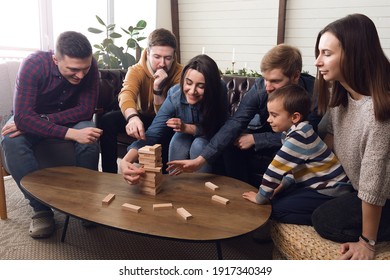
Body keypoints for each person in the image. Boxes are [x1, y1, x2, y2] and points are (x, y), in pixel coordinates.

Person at [166, 44, 321, 185]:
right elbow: (235, 123)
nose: (267, 87)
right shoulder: (260, 88)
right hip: (264, 130)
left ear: (295, 76)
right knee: (231, 142)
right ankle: (239, 189)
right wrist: (200, 160)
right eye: (265, 79)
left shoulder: (315, 95)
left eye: (275, 81)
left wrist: (256, 139)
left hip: (293, 141)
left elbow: (308, 135)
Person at [0, 31, 102, 238]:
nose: (80, 75)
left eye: (85, 68)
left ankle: (84, 201)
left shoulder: (90, 68)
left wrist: (44, 121)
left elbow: (84, 110)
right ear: (55, 59)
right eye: (73, 69)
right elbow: (23, 118)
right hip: (34, 116)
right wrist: (70, 134)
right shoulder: (33, 65)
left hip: (67, 117)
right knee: (11, 140)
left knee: (88, 135)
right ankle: (41, 210)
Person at [311, 13, 390, 260]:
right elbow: (329, 142)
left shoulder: (378, 111)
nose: (317, 62)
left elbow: (374, 180)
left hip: (382, 196)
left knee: (322, 220)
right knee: (285, 206)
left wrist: (367, 242)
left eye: (327, 53)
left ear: (353, 54)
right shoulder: (341, 96)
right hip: (352, 187)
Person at [242, 84, 351, 225]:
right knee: (277, 196)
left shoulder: (299, 137)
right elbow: (293, 168)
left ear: (294, 117)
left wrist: (260, 198)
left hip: (331, 190)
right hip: (318, 185)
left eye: (274, 115)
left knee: (274, 210)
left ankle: (325, 219)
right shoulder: (294, 132)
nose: (269, 119)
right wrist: (280, 187)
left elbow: (274, 170)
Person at [120, 54, 228, 185]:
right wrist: (126, 160)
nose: (192, 91)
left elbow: (222, 129)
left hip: (209, 137)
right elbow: (153, 133)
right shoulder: (175, 94)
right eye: (188, 83)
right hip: (183, 136)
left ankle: (202, 193)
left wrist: (188, 128)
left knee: (198, 144)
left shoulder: (219, 90)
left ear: (211, 87)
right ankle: (175, 186)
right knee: (178, 140)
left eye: (201, 86)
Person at [99, 28, 183, 173]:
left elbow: (168, 113)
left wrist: (158, 89)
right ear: (148, 53)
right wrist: (132, 118)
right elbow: (126, 94)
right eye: (157, 57)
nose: (162, 63)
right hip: (141, 116)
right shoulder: (136, 70)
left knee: (169, 127)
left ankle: (162, 176)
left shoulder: (180, 73)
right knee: (107, 120)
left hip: (166, 120)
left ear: (174, 56)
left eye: (167, 58)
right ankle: (109, 173)